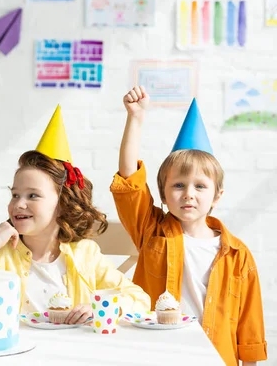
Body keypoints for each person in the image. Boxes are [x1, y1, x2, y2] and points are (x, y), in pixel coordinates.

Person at [111, 86, 267, 365]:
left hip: (215, 357)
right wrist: (135, 118)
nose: (188, 194)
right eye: (178, 185)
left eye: (200, 186)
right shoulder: (151, 231)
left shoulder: (237, 255)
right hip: (154, 354)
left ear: (217, 196)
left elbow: (249, 325)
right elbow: (129, 181)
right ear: (162, 194)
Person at [0, 106, 150, 324]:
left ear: (62, 203)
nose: (19, 204)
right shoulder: (2, 254)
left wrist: (102, 308)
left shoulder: (85, 255)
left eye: (33, 196)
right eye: (15, 195)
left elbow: (139, 299)